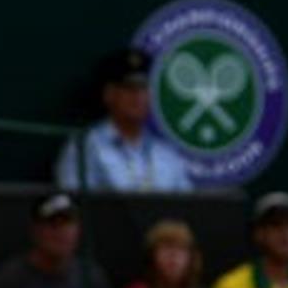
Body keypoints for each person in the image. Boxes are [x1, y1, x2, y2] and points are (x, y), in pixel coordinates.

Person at [51, 50, 193, 195]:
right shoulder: (86, 147)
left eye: (143, 88)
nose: (138, 97)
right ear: (109, 94)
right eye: (129, 88)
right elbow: (73, 206)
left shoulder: (165, 153)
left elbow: (187, 208)